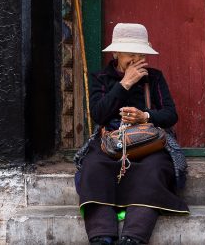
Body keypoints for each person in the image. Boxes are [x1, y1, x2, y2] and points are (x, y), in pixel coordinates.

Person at [77, 23, 188, 245]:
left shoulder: (154, 77)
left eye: (140, 53)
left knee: (155, 168)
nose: (136, 58)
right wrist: (125, 83)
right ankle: (102, 235)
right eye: (130, 53)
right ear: (116, 52)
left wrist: (145, 117)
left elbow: (170, 114)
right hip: (110, 141)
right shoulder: (101, 78)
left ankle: (134, 236)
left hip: (147, 141)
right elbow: (99, 114)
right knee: (93, 167)